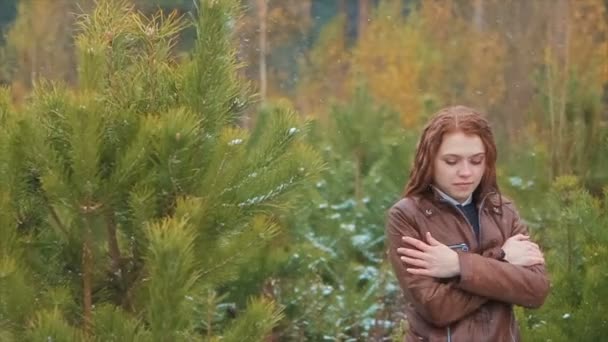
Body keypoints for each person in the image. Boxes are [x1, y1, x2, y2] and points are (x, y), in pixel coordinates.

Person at [385, 106, 549, 342]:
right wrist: (503, 259)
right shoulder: (407, 216)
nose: (466, 172)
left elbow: (536, 290)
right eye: (452, 161)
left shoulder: (503, 210)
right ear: (429, 160)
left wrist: (458, 266)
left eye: (476, 161)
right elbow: (436, 308)